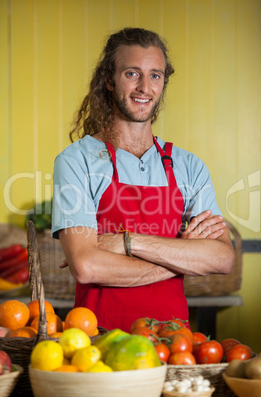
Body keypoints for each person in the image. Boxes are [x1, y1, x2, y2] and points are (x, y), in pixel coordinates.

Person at [51, 27, 235, 333]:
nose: (144, 87)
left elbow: (222, 258)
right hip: (97, 345)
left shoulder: (189, 167)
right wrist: (181, 253)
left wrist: (126, 242)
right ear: (109, 80)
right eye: (132, 73)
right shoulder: (76, 161)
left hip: (174, 345)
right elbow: (86, 267)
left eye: (155, 75)